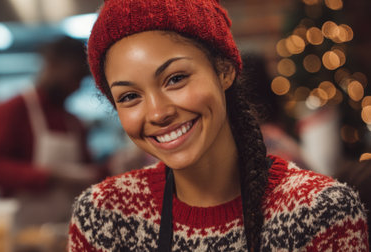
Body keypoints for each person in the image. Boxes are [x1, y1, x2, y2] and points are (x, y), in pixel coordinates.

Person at [68, 0, 369, 251]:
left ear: (224, 71)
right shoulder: (104, 214)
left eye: (175, 79)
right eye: (130, 96)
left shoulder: (321, 211)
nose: (158, 113)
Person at [0, 36, 101, 226]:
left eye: (82, 80)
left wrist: (113, 167)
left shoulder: (73, 121)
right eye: (73, 76)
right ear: (52, 64)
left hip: (68, 226)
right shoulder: (12, 110)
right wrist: (50, 176)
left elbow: (88, 174)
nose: (76, 86)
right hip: (22, 229)